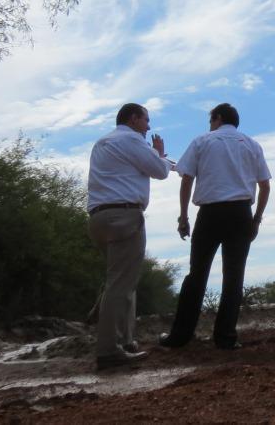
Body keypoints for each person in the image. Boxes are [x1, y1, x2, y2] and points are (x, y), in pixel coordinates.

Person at [160, 103, 271, 350]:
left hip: (210, 214)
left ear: (218, 118)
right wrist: (256, 219)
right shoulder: (252, 144)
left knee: (196, 275)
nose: (209, 126)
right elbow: (264, 186)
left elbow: (187, 178)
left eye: (210, 121)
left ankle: (179, 337)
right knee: (233, 277)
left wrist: (183, 216)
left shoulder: (203, 141)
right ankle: (226, 338)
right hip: (241, 213)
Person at [87, 103, 173, 370]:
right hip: (124, 215)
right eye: (146, 120)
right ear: (134, 119)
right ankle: (109, 350)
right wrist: (160, 154)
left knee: (121, 280)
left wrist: (158, 157)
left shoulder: (103, 142)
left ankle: (125, 341)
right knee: (121, 285)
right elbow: (160, 171)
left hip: (98, 218)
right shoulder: (132, 140)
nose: (148, 127)